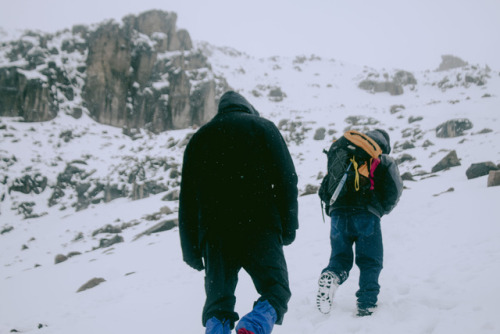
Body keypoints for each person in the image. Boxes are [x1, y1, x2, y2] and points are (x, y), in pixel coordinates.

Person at [179, 91, 299, 334]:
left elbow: (188, 201)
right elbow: (287, 180)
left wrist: (191, 250)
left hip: (215, 235)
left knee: (217, 303)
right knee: (276, 290)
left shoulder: (199, 138)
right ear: (248, 108)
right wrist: (288, 226)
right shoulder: (264, 128)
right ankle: (254, 327)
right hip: (260, 226)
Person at [316, 129, 403, 317]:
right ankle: (367, 303)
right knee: (370, 260)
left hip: (338, 213)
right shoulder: (381, 158)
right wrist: (380, 209)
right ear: (385, 145)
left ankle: (331, 275)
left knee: (340, 257)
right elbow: (394, 190)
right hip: (367, 214)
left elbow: (326, 186)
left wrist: (334, 208)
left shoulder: (345, 152)